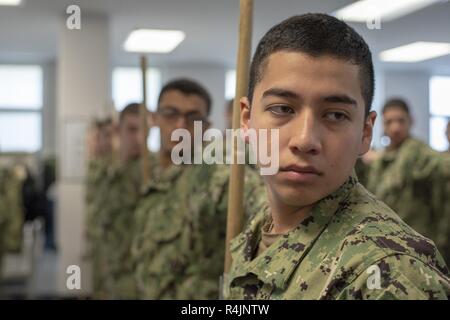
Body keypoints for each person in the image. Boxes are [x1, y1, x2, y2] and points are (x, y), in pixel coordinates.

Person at [226, 13, 449, 300]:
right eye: (282, 109)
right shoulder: (263, 224)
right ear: (246, 119)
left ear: (365, 132)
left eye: (335, 114)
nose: (305, 140)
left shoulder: (388, 275)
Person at [131, 79, 266, 299]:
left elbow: (263, 205)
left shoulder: (212, 172)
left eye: (193, 118)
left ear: (206, 126)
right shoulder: (153, 173)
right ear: (154, 119)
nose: (180, 126)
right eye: (170, 114)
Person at [366, 99, 449, 263]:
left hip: (417, 246)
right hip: (386, 242)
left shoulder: (417, 152)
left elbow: (441, 165)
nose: (395, 127)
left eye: (400, 120)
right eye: (389, 122)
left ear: (411, 121)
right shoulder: (383, 159)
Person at [86, 103, 143, 299]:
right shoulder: (107, 169)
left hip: (134, 272)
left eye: (145, 130)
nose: (139, 138)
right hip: (106, 262)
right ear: (118, 131)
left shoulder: (149, 171)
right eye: (132, 130)